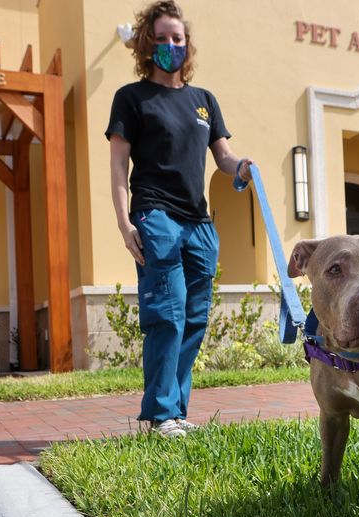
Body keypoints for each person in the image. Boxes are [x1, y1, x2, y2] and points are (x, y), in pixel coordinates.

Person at [105, 0, 252, 437]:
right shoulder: (131, 98)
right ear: (148, 44)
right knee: (165, 315)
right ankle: (160, 415)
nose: (171, 45)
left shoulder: (204, 101)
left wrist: (243, 167)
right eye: (163, 38)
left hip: (199, 223)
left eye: (178, 38)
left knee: (193, 319)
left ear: (188, 45)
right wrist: (124, 223)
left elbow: (223, 157)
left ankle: (175, 413)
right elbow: (117, 166)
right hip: (156, 215)